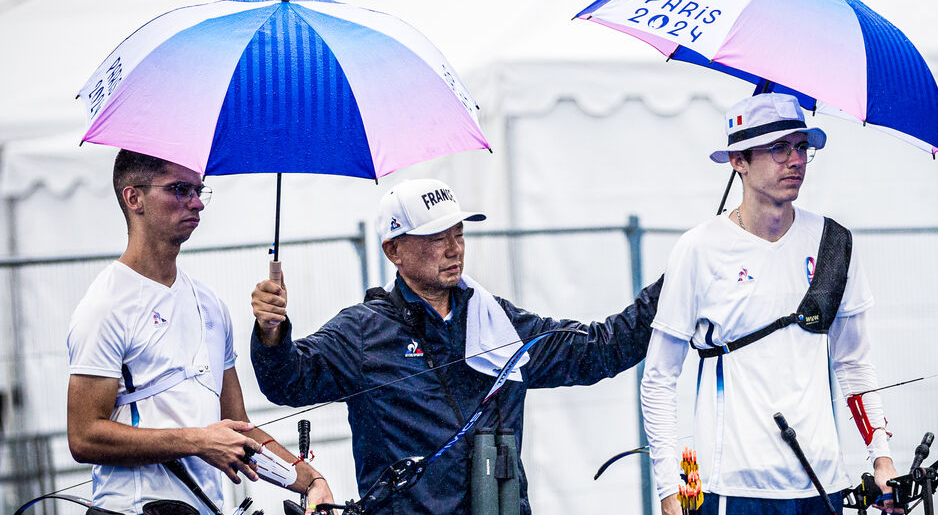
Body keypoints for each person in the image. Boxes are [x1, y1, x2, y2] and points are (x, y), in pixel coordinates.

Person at [249, 178, 662, 515]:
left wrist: (679, 280)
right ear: (394, 250)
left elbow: (598, 350)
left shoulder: (496, 320)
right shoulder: (362, 331)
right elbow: (286, 382)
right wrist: (272, 332)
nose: (454, 249)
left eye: (459, 233)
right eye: (435, 237)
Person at [640, 93, 901, 515]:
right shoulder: (699, 248)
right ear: (738, 161)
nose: (795, 160)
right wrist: (670, 490)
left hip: (821, 483)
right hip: (731, 487)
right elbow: (658, 378)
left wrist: (882, 458)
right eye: (778, 148)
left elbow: (853, 363)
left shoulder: (833, 243)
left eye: (801, 147)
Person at [67, 150, 334, 515]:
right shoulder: (105, 306)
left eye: (199, 190)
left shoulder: (209, 303)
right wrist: (197, 441)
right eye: (179, 190)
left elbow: (238, 428)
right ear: (134, 198)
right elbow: (83, 437)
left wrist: (311, 481)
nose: (196, 203)